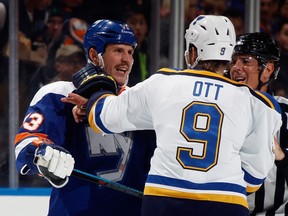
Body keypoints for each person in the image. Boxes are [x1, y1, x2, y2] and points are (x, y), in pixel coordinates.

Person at [63, 15, 282, 216]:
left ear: (194, 52)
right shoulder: (260, 105)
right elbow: (254, 179)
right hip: (226, 203)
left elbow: (105, 118)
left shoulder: (162, 83)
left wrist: (95, 92)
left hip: (164, 199)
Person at [14, 19, 156, 215]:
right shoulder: (59, 95)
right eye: (118, 51)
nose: (127, 60)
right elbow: (26, 141)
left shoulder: (138, 102)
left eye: (130, 52)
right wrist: (41, 153)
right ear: (93, 55)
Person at [229, 32, 288, 216]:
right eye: (233, 61)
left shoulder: (286, 113)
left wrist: (283, 158)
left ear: (268, 70)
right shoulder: (218, 108)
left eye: (246, 61)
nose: (236, 68)